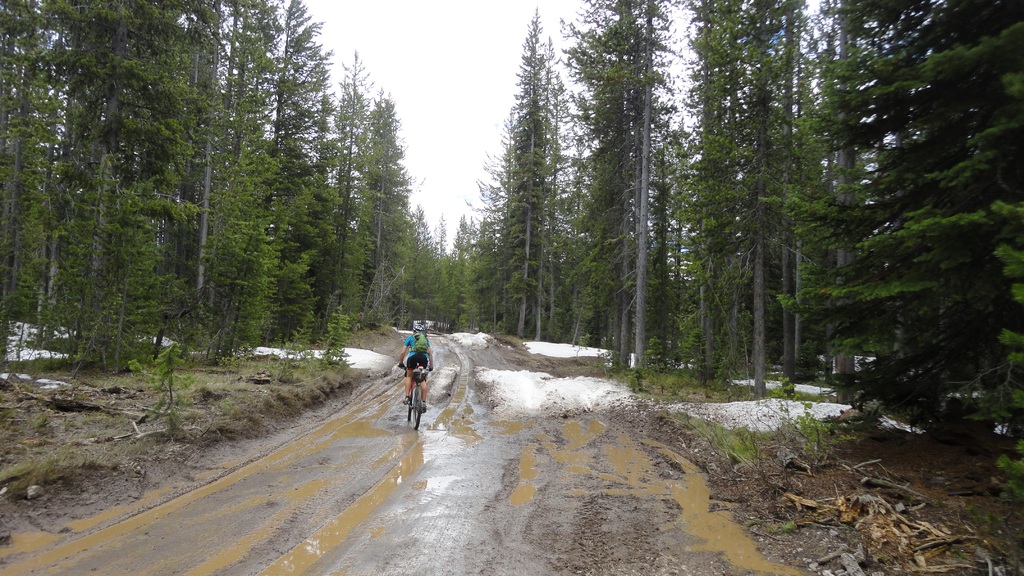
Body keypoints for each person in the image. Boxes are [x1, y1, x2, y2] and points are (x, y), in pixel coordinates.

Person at [398, 322, 433, 407]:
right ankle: (423, 402)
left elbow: (403, 352)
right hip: (423, 359)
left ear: (414, 331)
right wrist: (431, 366)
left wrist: (401, 362)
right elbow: (430, 354)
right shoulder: (425, 339)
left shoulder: (410, 338)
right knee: (422, 379)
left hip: (413, 358)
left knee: (409, 376)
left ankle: (407, 397)